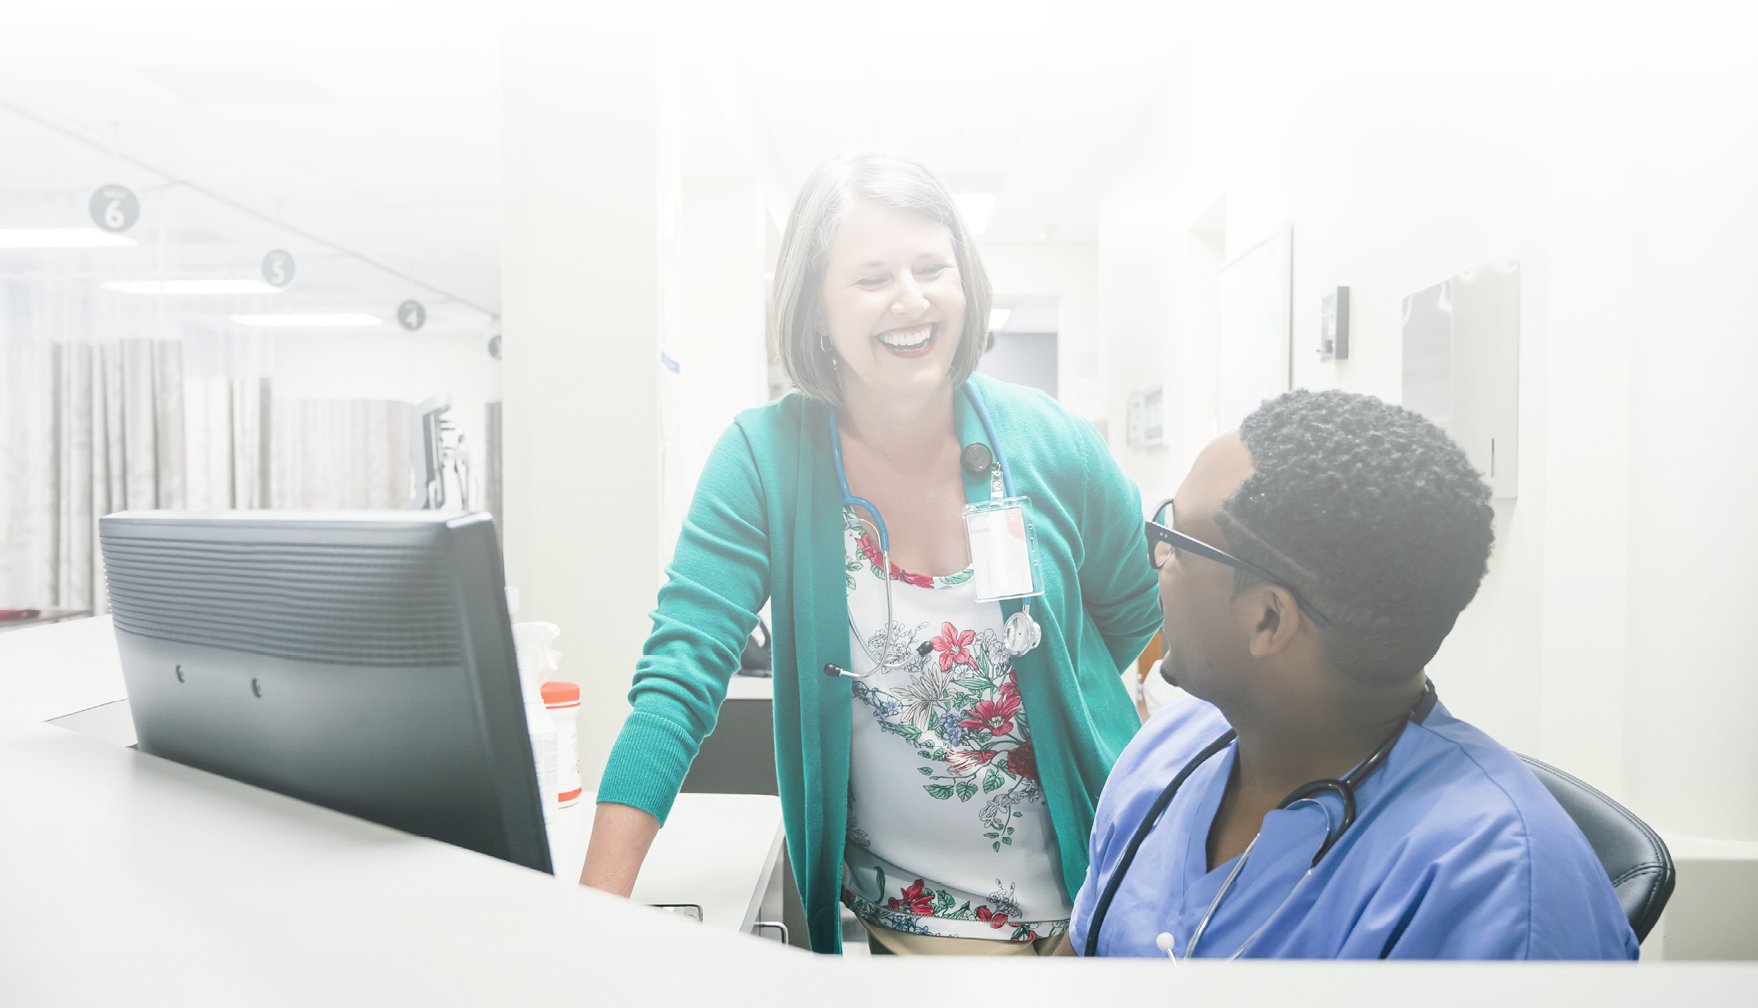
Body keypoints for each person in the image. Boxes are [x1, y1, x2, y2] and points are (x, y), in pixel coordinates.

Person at [582, 147, 1161, 956]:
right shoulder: (764, 461)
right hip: (921, 927)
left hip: (1108, 891)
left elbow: (1138, 616)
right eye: (871, 278)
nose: (911, 299)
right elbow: (678, 680)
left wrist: (1061, 700)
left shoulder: (1051, 440)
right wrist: (587, 918)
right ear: (815, 308)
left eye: (933, 266)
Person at [1069, 389, 1638, 959]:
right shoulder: (1169, 749)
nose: (1158, 562)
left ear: (1268, 618)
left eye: (1177, 543)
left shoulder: (1505, 891)